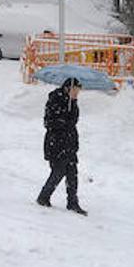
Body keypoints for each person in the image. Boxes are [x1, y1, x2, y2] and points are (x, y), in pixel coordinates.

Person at [36, 76, 86, 215]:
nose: (77, 94)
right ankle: (43, 197)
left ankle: (72, 202)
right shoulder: (55, 99)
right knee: (58, 172)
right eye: (75, 90)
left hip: (69, 143)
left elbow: (73, 121)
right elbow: (49, 122)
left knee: (72, 174)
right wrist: (63, 119)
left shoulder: (73, 102)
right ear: (67, 88)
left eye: (78, 91)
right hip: (56, 144)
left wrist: (71, 112)